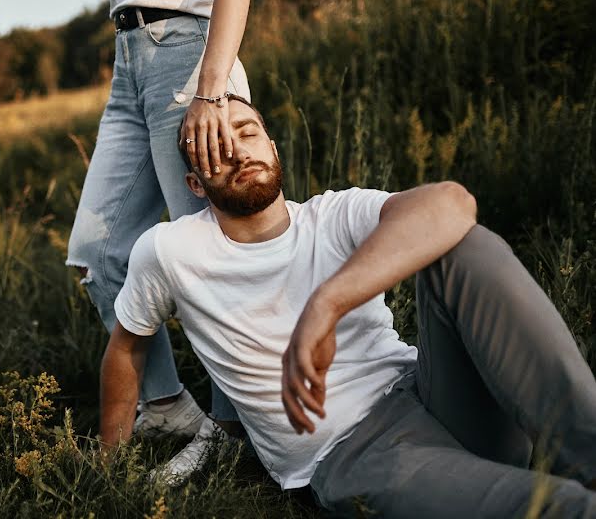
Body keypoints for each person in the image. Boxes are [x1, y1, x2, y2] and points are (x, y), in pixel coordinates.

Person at [99, 95, 596, 516]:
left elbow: (451, 203)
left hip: (431, 395)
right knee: (558, 507)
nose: (236, 150)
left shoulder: (331, 215)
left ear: (272, 148)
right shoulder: (170, 250)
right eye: (214, 147)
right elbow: (126, 349)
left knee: (464, 244)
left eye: (247, 132)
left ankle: (588, 450)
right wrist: (109, 467)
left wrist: (327, 303)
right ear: (194, 184)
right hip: (351, 450)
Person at [67, 0, 261, 480]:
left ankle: (232, 434)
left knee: (216, 259)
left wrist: (211, 87)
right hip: (128, 62)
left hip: (189, 58)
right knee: (100, 254)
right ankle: (167, 406)